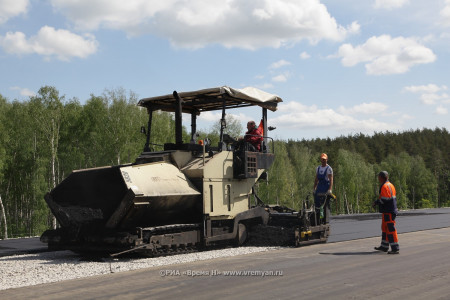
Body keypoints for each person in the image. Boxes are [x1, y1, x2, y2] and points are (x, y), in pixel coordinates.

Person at [373, 171, 399, 254]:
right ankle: (384, 246)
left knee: (390, 229)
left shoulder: (385, 186)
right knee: (385, 228)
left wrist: (376, 202)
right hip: (388, 211)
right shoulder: (390, 185)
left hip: (389, 211)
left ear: (382, 177)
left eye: (379, 177)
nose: (378, 179)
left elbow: (384, 199)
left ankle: (395, 248)